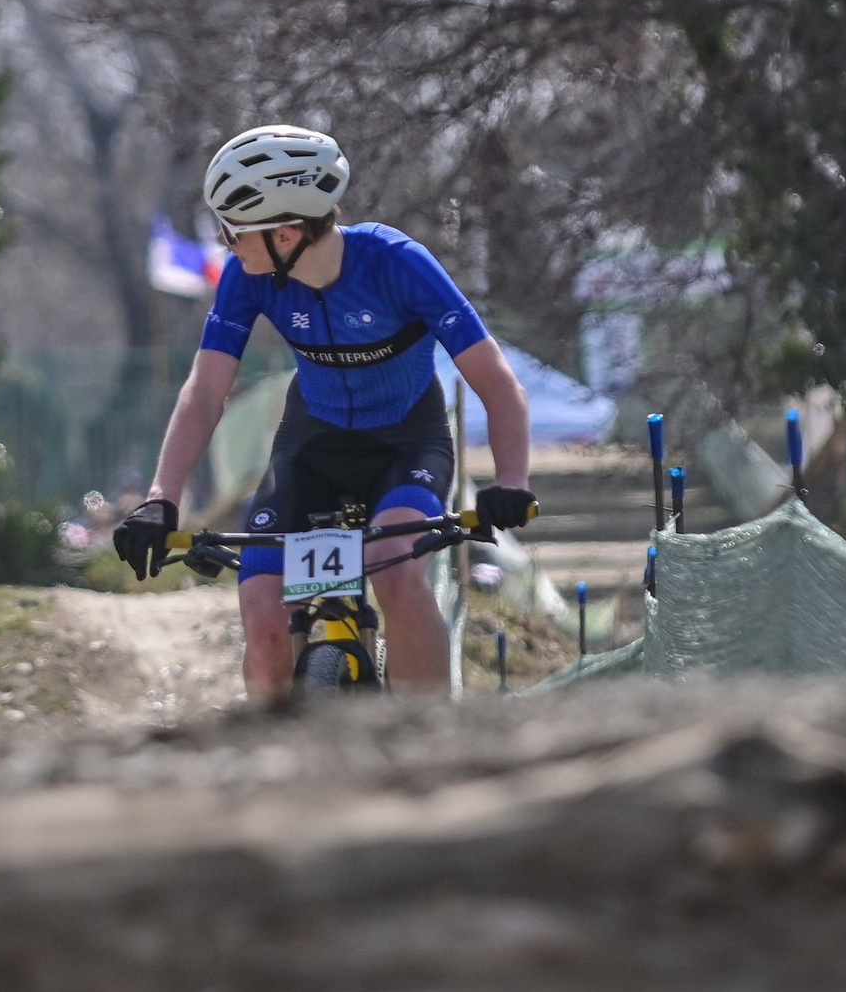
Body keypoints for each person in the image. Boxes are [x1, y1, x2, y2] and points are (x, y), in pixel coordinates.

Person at [114, 126, 537, 699]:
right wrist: (160, 499)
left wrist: (511, 481)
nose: (222, 241)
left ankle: (431, 742)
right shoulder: (248, 276)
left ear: (285, 233)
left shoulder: (398, 263)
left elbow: (496, 381)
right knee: (262, 614)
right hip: (311, 445)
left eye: (232, 229)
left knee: (393, 564)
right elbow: (206, 390)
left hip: (406, 444)